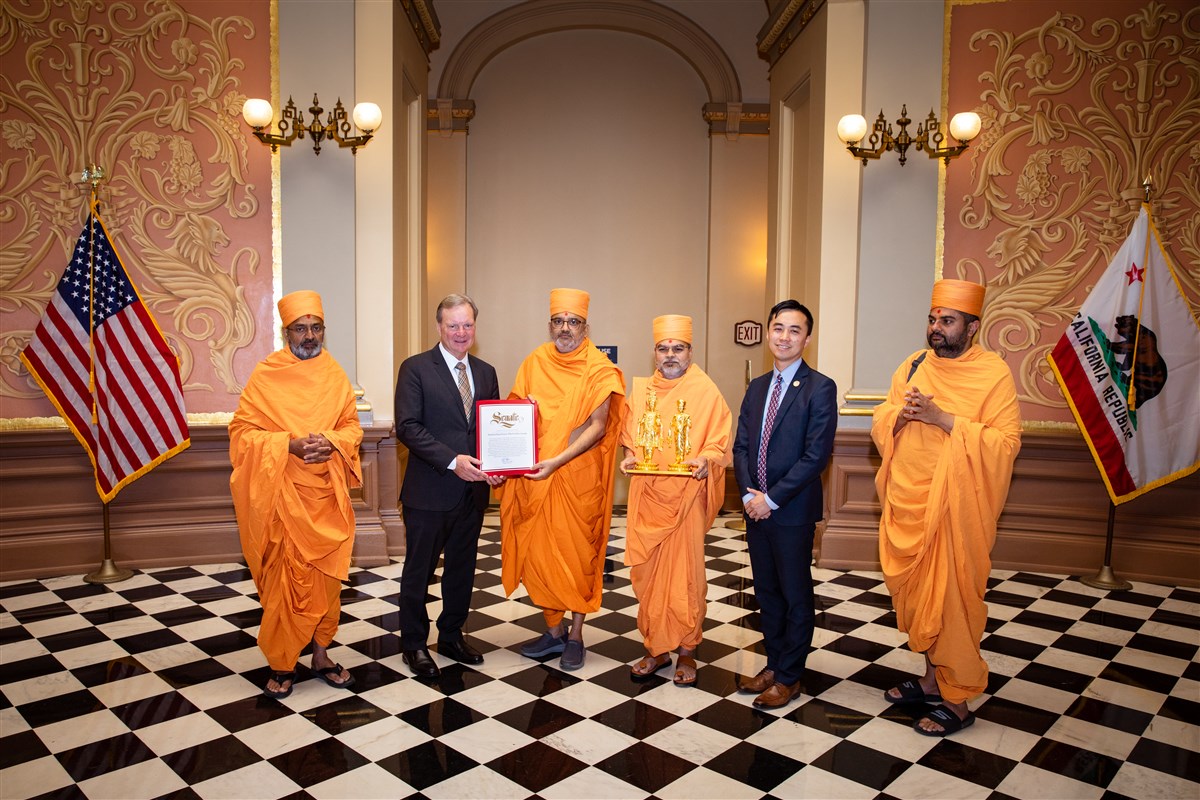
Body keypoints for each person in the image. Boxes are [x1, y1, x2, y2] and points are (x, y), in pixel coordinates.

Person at [872, 278, 1021, 736]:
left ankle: (957, 700)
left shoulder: (993, 373)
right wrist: (901, 415)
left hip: (957, 510)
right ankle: (932, 680)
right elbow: (883, 416)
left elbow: (1005, 443)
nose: (936, 327)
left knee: (952, 599)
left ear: (972, 326)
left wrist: (943, 419)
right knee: (921, 599)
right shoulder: (913, 365)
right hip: (909, 502)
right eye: (933, 318)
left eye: (948, 320)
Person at [230, 290, 361, 699]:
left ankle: (321, 655)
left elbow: (352, 426)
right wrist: (286, 445)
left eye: (316, 327)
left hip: (325, 498)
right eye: (301, 328)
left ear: (324, 330)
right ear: (286, 331)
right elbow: (242, 432)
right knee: (284, 584)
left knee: (326, 582)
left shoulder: (335, 374)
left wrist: (332, 441)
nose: (309, 335)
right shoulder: (267, 373)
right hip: (282, 499)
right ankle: (283, 663)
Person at [498, 288, 625, 671]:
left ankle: (576, 635)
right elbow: (512, 415)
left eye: (573, 321)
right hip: (535, 478)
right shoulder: (534, 361)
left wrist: (557, 461)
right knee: (539, 557)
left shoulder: (599, 369)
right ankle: (552, 630)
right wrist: (504, 459)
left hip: (576, 479)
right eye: (558, 321)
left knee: (577, 559)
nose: (565, 328)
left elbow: (599, 427)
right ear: (549, 324)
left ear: (586, 326)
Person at [732, 300, 837, 709]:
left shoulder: (819, 387)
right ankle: (775, 664)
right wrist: (747, 495)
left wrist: (771, 499)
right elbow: (741, 445)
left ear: (806, 339)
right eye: (779, 328)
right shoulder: (757, 387)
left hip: (790, 511)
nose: (785, 337)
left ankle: (791, 676)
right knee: (767, 592)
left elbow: (816, 456)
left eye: (795, 330)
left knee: (795, 594)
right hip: (755, 507)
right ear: (769, 333)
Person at [394, 294, 504, 679]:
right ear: (439, 326)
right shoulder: (415, 368)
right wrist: (453, 460)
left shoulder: (487, 372)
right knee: (419, 571)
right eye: (453, 325)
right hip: (430, 490)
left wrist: (498, 465)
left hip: (472, 492)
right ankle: (413, 644)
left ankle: (452, 635)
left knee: (463, 568)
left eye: (467, 325)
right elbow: (408, 427)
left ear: (476, 327)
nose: (461, 332)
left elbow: (491, 430)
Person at [620, 315, 731, 686]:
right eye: (663, 348)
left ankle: (686, 650)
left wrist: (707, 459)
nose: (670, 355)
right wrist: (631, 453)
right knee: (648, 576)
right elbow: (630, 436)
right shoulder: (640, 390)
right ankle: (655, 648)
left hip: (685, 500)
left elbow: (719, 440)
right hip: (647, 497)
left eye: (677, 348)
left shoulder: (705, 390)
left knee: (686, 578)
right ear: (654, 352)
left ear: (690, 351)